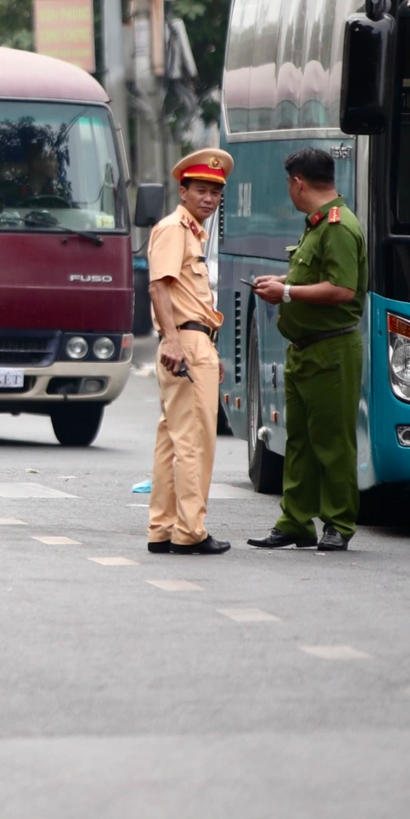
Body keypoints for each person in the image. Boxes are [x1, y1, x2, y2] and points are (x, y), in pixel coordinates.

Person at [248, 148, 366, 551]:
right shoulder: (318, 225)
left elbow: (343, 288)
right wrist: (285, 281)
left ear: (298, 182)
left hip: (332, 351)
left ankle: (338, 523)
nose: (289, 191)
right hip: (305, 349)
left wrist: (287, 293)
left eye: (289, 184)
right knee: (298, 439)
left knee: (332, 441)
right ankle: (296, 520)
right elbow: (317, 275)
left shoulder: (338, 226)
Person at [145, 148, 234, 556]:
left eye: (215, 193)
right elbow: (159, 286)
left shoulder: (191, 232)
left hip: (195, 341)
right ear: (183, 191)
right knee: (195, 440)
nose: (209, 199)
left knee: (173, 440)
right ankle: (190, 531)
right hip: (183, 341)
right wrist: (172, 340)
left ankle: (163, 528)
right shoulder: (174, 229)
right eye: (201, 190)